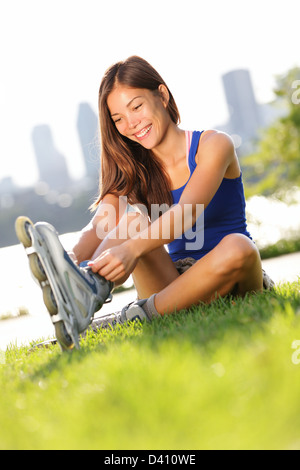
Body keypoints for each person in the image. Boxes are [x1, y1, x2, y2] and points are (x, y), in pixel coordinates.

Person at [16, 56, 274, 349]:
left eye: (136, 107)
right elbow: (101, 225)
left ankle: (133, 316)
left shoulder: (214, 145)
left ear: (161, 95)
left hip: (233, 274)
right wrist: (68, 264)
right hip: (173, 285)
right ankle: (84, 291)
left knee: (239, 246)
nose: (131, 124)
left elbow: (186, 213)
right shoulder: (134, 168)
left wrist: (130, 250)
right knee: (133, 221)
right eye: (118, 119)